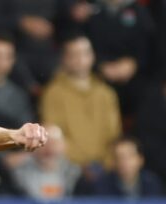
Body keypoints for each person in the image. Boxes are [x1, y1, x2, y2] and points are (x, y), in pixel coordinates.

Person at [39, 34, 121, 168]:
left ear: (93, 56)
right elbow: (53, 137)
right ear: (64, 59)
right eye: (74, 54)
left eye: (85, 53)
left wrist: (106, 164)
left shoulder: (106, 93)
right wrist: (81, 164)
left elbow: (114, 135)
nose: (80, 59)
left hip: (105, 168)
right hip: (68, 168)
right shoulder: (53, 93)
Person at [75, 136, 161, 198]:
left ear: (140, 160)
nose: (124, 161)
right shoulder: (101, 185)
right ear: (113, 161)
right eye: (119, 157)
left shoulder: (151, 182)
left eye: (129, 156)